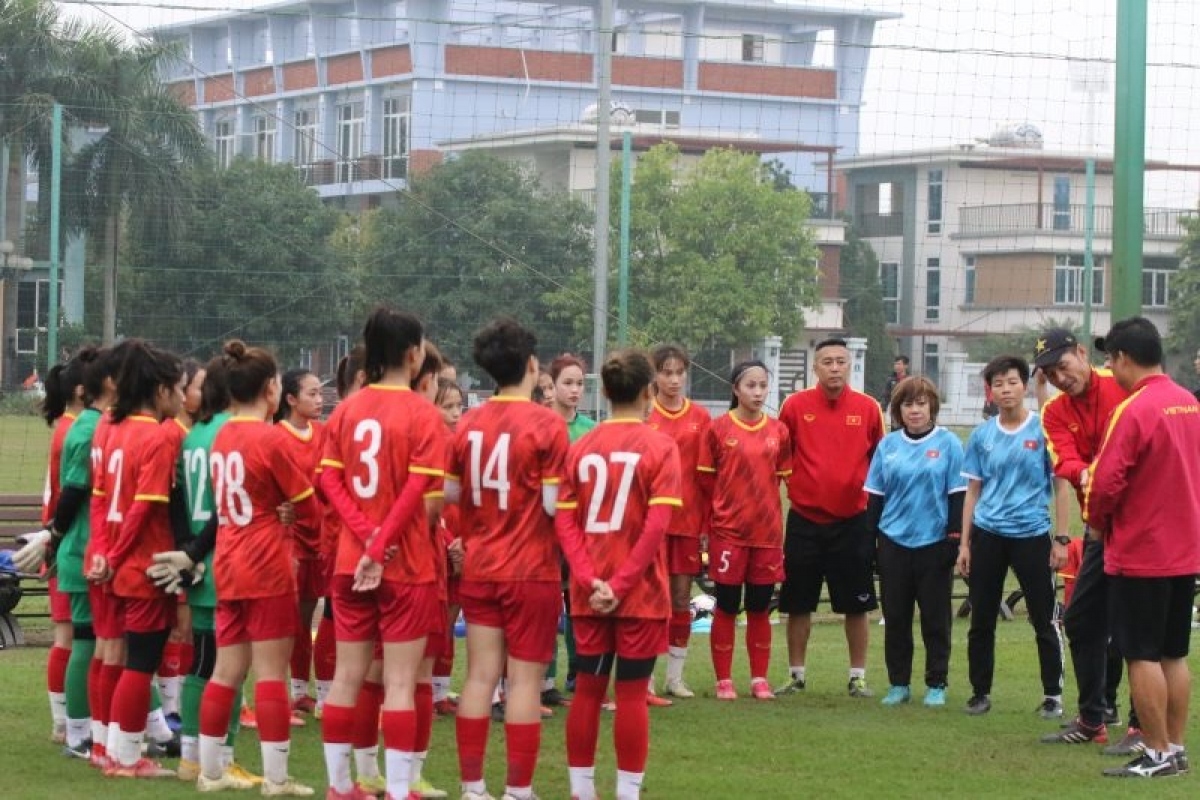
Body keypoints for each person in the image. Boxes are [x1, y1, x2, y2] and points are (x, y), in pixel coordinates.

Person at [318, 308, 446, 800]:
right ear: (414, 355)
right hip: (405, 563)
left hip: (352, 563)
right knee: (398, 683)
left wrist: (364, 537)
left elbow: (329, 479)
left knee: (346, 678)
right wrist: (383, 541)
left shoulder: (346, 409)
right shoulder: (422, 414)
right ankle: (397, 789)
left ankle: (339, 785)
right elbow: (418, 486)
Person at [446, 317, 569, 800]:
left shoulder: (469, 422)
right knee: (523, 682)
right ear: (533, 365)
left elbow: (453, 493)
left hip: (480, 566)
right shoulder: (547, 424)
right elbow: (555, 507)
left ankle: (473, 788)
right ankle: (518, 790)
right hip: (531, 569)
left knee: (479, 676)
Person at [192, 340, 320, 796]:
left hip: (228, 562)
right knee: (270, 673)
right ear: (271, 389)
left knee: (227, 671)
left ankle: (210, 772)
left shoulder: (221, 434)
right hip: (266, 564)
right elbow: (310, 507)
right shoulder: (271, 439)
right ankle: (277, 779)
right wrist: (288, 512)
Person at [556, 348, 682, 800]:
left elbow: (564, 522)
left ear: (605, 391)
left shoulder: (580, 446)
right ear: (649, 391)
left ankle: (581, 791)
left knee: (588, 691)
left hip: (590, 592)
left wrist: (590, 581)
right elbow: (657, 526)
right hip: (641, 593)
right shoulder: (662, 447)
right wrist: (622, 583)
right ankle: (627, 794)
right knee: (630, 695)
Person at [1087, 317, 1200, 778]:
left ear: (1124, 359)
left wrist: (1096, 524)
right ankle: (1175, 748)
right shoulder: (1190, 403)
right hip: (1184, 549)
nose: (1110, 369)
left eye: (1110, 360)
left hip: (1142, 553)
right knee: (1174, 653)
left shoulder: (1134, 409)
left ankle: (1156, 753)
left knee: (1140, 654)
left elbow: (1106, 482)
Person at [1034, 328, 1136, 750]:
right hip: (1098, 530)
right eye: (1051, 373)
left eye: (1064, 366)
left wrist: (1101, 470)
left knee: (1135, 628)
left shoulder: (1123, 385)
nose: (1060, 377)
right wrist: (1087, 473)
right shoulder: (1054, 412)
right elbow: (1065, 460)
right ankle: (1092, 718)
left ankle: (1140, 725)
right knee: (1080, 620)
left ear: (1081, 353)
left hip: (1139, 528)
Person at [91, 341, 185, 778]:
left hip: (114, 561)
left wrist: (103, 553)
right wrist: (116, 553)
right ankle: (129, 759)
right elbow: (143, 509)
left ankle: (109, 749)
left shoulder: (112, 427)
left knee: (121, 656)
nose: (182, 398)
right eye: (178, 389)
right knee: (139, 664)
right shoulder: (155, 436)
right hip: (143, 564)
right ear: (161, 390)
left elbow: (100, 500)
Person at [956, 355, 1065, 718]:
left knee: (1043, 617)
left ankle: (1053, 694)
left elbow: (1060, 486)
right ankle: (979, 692)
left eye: (1012, 382)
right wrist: (964, 544)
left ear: (1024, 386)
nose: (1006, 389)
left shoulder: (1043, 430)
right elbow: (973, 491)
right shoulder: (983, 435)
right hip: (988, 535)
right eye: (998, 383)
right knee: (981, 618)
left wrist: (1061, 539)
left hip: (1032, 536)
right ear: (991, 391)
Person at [776, 338, 885, 697]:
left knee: (857, 605)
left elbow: (879, 460)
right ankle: (796, 675)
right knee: (797, 603)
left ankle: (858, 677)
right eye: (827, 361)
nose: (834, 367)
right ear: (815, 367)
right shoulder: (794, 406)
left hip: (853, 522)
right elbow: (780, 452)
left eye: (840, 361)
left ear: (849, 365)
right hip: (805, 519)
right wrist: (799, 483)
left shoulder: (868, 408)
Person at [865, 376, 965, 707]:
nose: (915, 410)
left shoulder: (949, 443)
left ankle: (936, 683)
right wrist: (871, 543)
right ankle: (899, 684)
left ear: (932, 406)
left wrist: (954, 538)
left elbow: (957, 494)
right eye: (908, 404)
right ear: (898, 410)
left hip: (934, 543)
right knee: (896, 618)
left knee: (936, 620)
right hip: (893, 542)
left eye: (921, 403)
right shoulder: (888, 446)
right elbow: (875, 497)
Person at [699, 360, 791, 701]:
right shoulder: (718, 429)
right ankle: (724, 679)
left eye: (762, 385)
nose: (757, 392)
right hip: (728, 534)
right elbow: (706, 484)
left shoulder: (779, 431)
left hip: (766, 535)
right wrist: (708, 528)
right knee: (726, 605)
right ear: (735, 389)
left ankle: (759, 679)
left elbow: (783, 481)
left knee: (759, 605)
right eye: (750, 385)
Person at [646, 344, 712, 699]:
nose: (673, 379)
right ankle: (646, 676)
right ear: (655, 375)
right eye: (665, 372)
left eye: (678, 372)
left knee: (681, 598)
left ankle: (675, 676)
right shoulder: (645, 413)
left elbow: (705, 478)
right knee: (650, 597)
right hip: (650, 523)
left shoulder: (700, 417)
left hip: (687, 522)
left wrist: (705, 527)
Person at [273, 368, 327, 717]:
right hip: (288, 539)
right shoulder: (276, 436)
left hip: (318, 537)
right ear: (290, 399)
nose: (319, 399)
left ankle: (300, 690)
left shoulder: (323, 434)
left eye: (320, 393)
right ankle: (279, 695)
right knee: (284, 619)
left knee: (308, 616)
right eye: (312, 393)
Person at [546, 353, 595, 702]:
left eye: (580, 383)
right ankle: (544, 679)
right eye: (568, 382)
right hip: (546, 529)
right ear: (552, 385)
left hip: (581, 530)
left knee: (578, 602)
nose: (575, 389)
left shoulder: (591, 430)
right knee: (548, 604)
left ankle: (579, 672)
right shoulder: (541, 425)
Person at [432, 377, 466, 717]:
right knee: (435, 619)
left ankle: (439, 690)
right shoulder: (430, 443)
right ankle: (425, 687)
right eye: (448, 406)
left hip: (459, 539)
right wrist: (446, 543)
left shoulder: (459, 442)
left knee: (451, 614)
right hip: (436, 542)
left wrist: (465, 540)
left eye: (459, 405)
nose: (456, 413)